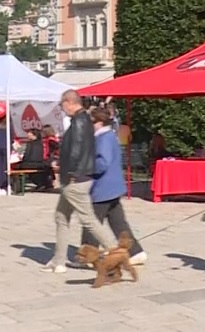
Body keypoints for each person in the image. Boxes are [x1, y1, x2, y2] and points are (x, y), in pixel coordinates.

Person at [42, 90, 119, 274]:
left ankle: (116, 252)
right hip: (78, 176)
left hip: (76, 178)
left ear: (69, 102)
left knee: (89, 220)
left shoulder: (78, 121)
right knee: (61, 216)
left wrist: (69, 172)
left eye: (62, 105)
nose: (62, 109)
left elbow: (76, 151)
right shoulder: (84, 120)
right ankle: (59, 260)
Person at [77, 108, 148, 267]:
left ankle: (87, 256)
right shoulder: (110, 136)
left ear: (99, 123)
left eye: (91, 122)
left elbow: (103, 163)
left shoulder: (103, 138)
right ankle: (135, 252)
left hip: (103, 188)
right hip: (113, 187)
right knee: (118, 223)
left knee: (91, 222)